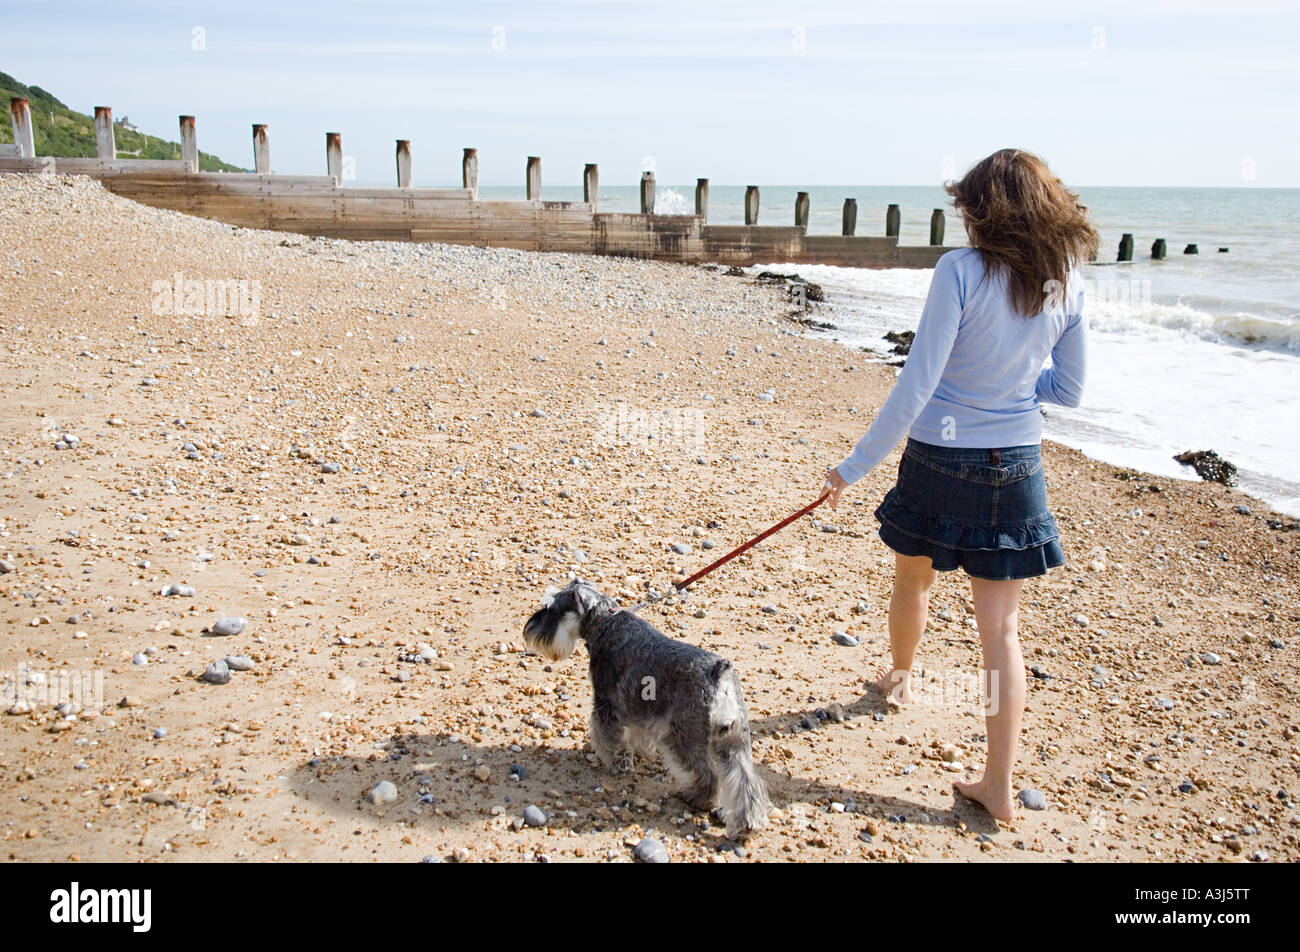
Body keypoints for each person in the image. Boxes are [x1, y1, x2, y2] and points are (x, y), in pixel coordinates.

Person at [821, 149, 1099, 821]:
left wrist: (852, 467)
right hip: (1019, 465)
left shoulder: (960, 271)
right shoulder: (1067, 280)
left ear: (983, 210)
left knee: (913, 576)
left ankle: (901, 676)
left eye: (966, 206)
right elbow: (1070, 389)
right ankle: (999, 788)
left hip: (941, 457)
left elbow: (918, 383)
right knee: (1001, 629)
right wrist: (1007, 386)